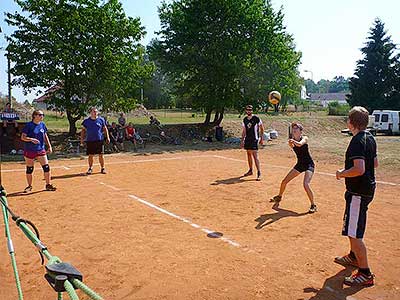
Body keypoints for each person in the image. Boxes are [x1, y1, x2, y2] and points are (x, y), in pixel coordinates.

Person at [334, 106, 378, 287]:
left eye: (348, 119)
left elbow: (359, 169)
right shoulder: (371, 138)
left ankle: (365, 273)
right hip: (365, 190)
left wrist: (341, 173)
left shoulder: (356, 141)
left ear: (351, 123)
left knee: (354, 232)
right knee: (353, 227)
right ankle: (353, 257)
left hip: (358, 192)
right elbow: (374, 164)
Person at [270, 123, 317, 213]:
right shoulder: (291, 142)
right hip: (300, 164)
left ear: (300, 131)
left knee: (306, 184)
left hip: (309, 164)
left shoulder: (305, 138)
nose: (294, 129)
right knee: (284, 182)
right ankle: (279, 197)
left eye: (296, 128)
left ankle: (313, 205)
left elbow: (299, 144)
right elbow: (293, 145)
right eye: (293, 128)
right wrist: (290, 142)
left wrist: (292, 141)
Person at [20, 110, 56, 192]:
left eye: (42, 115)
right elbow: (22, 137)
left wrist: (49, 146)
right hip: (30, 150)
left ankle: (48, 185)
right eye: (40, 115)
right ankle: (29, 186)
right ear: (34, 116)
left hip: (40, 149)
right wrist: (31, 139)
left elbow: (45, 136)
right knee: (30, 169)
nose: (42, 116)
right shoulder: (28, 125)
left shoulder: (42, 125)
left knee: (46, 167)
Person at [80, 107, 110, 175]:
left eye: (96, 111)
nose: (95, 113)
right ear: (91, 112)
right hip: (90, 140)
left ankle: (102, 168)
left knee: (101, 155)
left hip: (99, 140)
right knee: (90, 155)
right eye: (94, 111)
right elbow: (83, 131)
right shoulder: (86, 121)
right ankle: (90, 168)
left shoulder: (101, 120)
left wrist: (107, 137)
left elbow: (105, 129)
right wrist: (82, 140)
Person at [240, 104, 264, 181]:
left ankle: (259, 173)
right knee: (248, 154)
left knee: (255, 155)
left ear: (252, 111)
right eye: (247, 110)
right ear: (246, 111)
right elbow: (244, 131)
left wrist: (261, 139)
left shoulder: (256, 118)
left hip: (254, 139)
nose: (249, 111)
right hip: (248, 139)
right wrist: (242, 140)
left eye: (250, 110)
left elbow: (262, 128)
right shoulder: (245, 120)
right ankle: (250, 170)